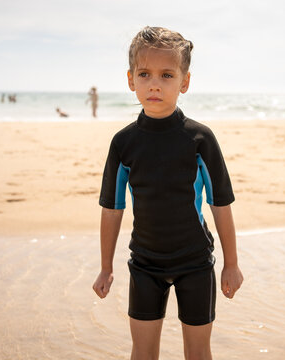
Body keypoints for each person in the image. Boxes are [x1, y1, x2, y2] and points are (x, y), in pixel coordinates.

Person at [92, 26, 243, 360]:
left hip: (195, 263)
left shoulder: (200, 139)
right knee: (143, 353)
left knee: (198, 353)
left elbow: (220, 205)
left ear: (184, 82)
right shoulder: (123, 143)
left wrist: (230, 264)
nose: (154, 84)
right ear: (131, 80)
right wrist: (106, 267)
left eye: (166, 75)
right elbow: (112, 209)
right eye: (144, 74)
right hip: (145, 264)